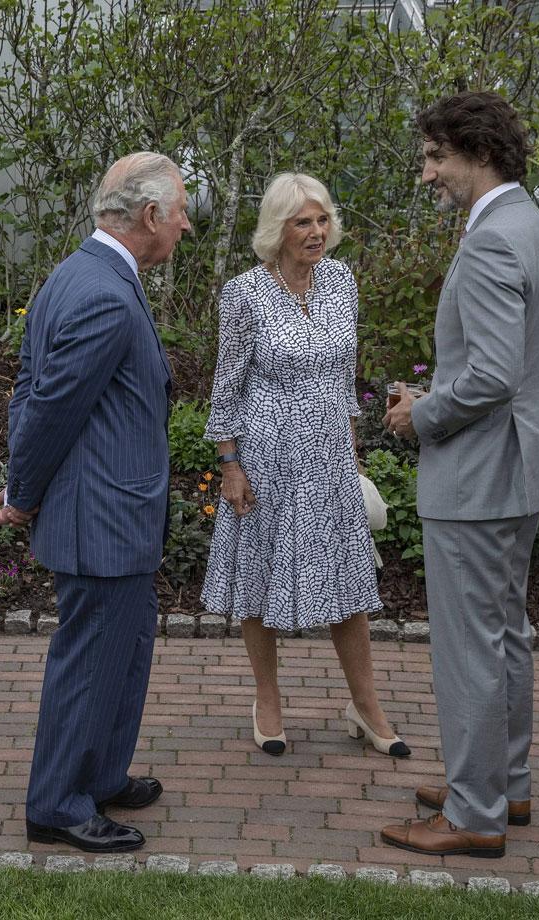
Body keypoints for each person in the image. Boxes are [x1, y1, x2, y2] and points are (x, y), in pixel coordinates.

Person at [0, 152, 189, 854]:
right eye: (182, 212)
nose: (187, 225)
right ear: (152, 216)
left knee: (122, 651)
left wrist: (24, 484)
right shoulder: (101, 290)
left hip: (110, 512)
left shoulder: (80, 274)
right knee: (93, 656)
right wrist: (23, 493)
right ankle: (59, 805)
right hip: (101, 517)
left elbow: (28, 388)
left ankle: (99, 774)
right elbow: (47, 406)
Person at [381, 91, 539, 858]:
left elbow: (490, 374)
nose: (427, 174)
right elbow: (510, 368)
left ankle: (474, 813)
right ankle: (503, 785)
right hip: (520, 463)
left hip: (481, 475)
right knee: (505, 636)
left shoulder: (492, 239)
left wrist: (420, 415)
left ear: (478, 153)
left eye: (436, 158)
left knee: (472, 646)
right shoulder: (534, 225)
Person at [201, 172, 410, 761]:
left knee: (347, 582)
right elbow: (227, 384)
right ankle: (267, 700)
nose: (316, 233)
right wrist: (229, 463)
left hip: (329, 457)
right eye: (302, 222)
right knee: (261, 578)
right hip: (266, 455)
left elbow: (346, 375)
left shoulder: (342, 281)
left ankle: (366, 707)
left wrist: (351, 451)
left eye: (322, 220)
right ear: (278, 229)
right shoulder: (246, 292)